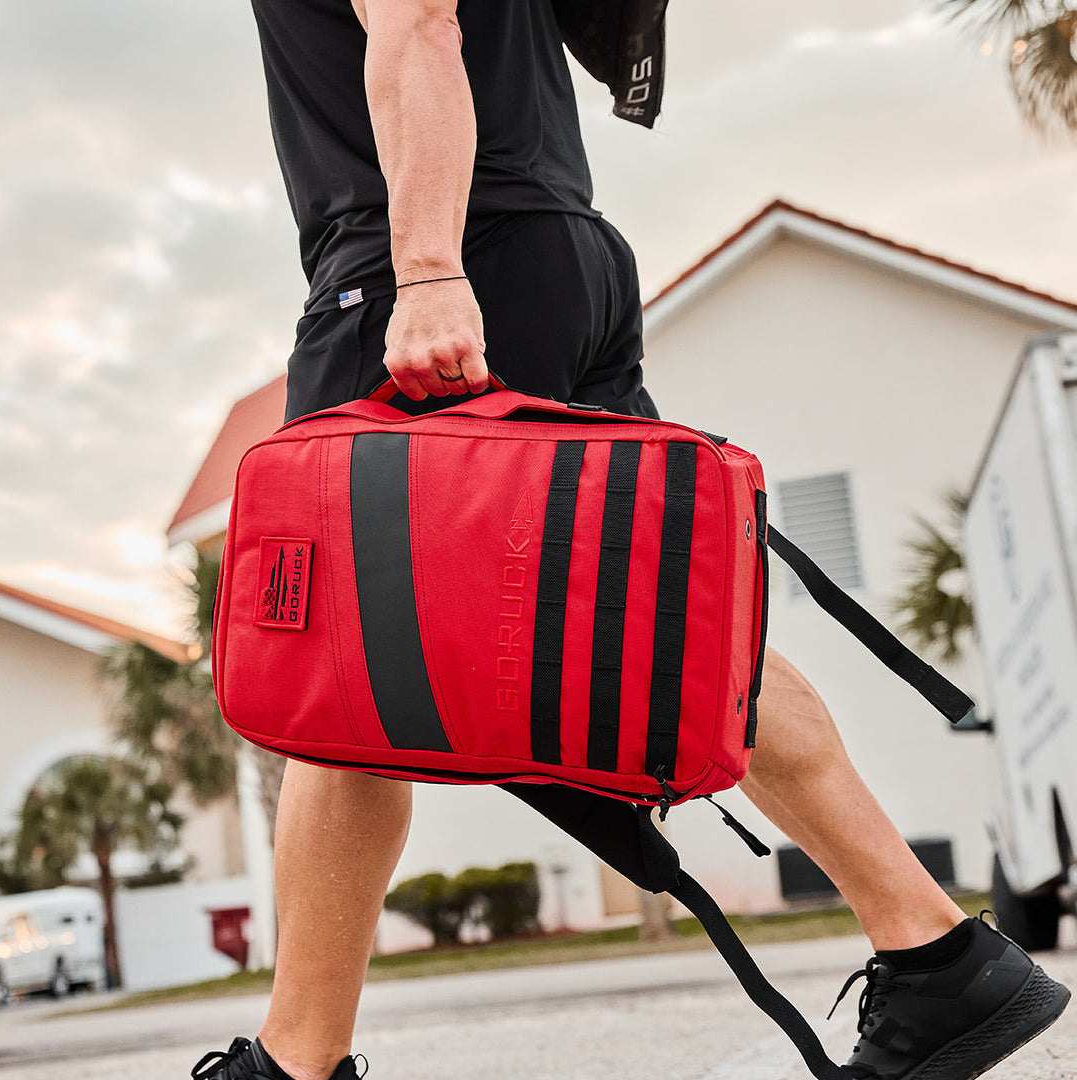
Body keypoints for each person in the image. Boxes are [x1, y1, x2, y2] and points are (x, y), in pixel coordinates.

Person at [192, 2, 1070, 1078]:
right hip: (560, 243)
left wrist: (423, 272)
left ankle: (294, 1062)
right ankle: (938, 955)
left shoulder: (423, 259)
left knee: (337, 660)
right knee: (677, 626)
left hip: (427, 250)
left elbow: (419, 19)